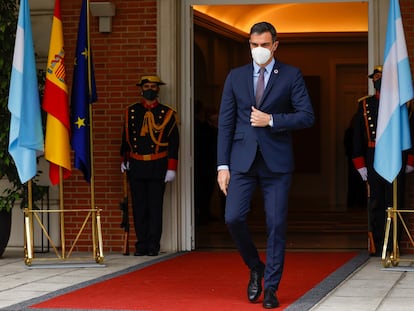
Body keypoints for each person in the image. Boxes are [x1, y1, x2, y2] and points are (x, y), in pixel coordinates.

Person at [217, 22, 314, 309]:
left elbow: (307, 116)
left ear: (274, 45)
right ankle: (255, 266)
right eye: (253, 45)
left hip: (277, 163)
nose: (258, 50)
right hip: (241, 161)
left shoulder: (291, 76)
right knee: (232, 217)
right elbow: (225, 123)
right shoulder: (235, 77)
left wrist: (271, 120)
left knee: (276, 225)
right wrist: (222, 165)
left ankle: (271, 287)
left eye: (263, 45)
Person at [352, 66, 414, 256]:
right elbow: (357, 136)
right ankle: (379, 245)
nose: (377, 81)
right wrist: (360, 162)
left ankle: (393, 244)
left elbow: (410, 132)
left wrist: (410, 158)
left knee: (395, 200)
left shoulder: (401, 105)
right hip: (373, 155)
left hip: (396, 155)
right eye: (375, 78)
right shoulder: (364, 104)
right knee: (376, 201)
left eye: (381, 78)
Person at [120, 75, 179, 257]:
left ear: (158, 90)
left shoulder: (167, 113)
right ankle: (141, 244)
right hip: (137, 165)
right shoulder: (131, 111)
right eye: (147, 86)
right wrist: (125, 159)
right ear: (141, 89)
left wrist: (171, 167)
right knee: (139, 207)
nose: (150, 89)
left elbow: (174, 142)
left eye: (153, 86)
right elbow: (126, 137)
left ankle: (153, 244)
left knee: (155, 207)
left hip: (157, 165)